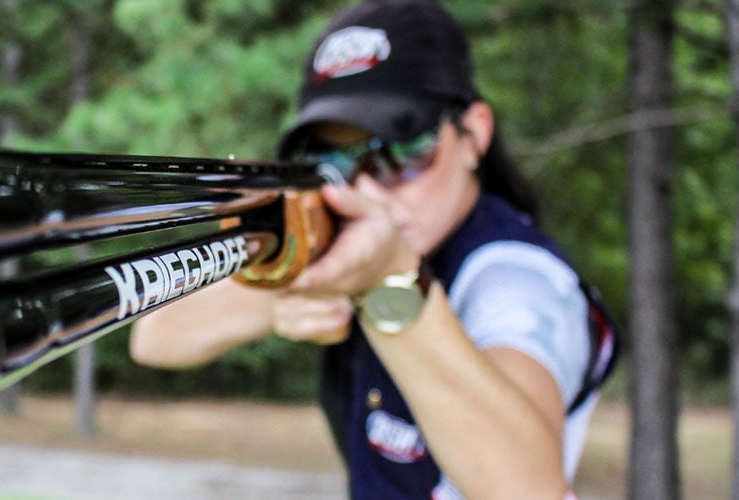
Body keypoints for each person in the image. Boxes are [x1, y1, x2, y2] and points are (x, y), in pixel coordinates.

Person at [128, 0, 618, 498]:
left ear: (474, 135)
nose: (370, 190)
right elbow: (155, 336)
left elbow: (528, 490)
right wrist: (286, 292)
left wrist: (390, 287)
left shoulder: (517, 276)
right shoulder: (342, 246)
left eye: (403, 152)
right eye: (333, 161)